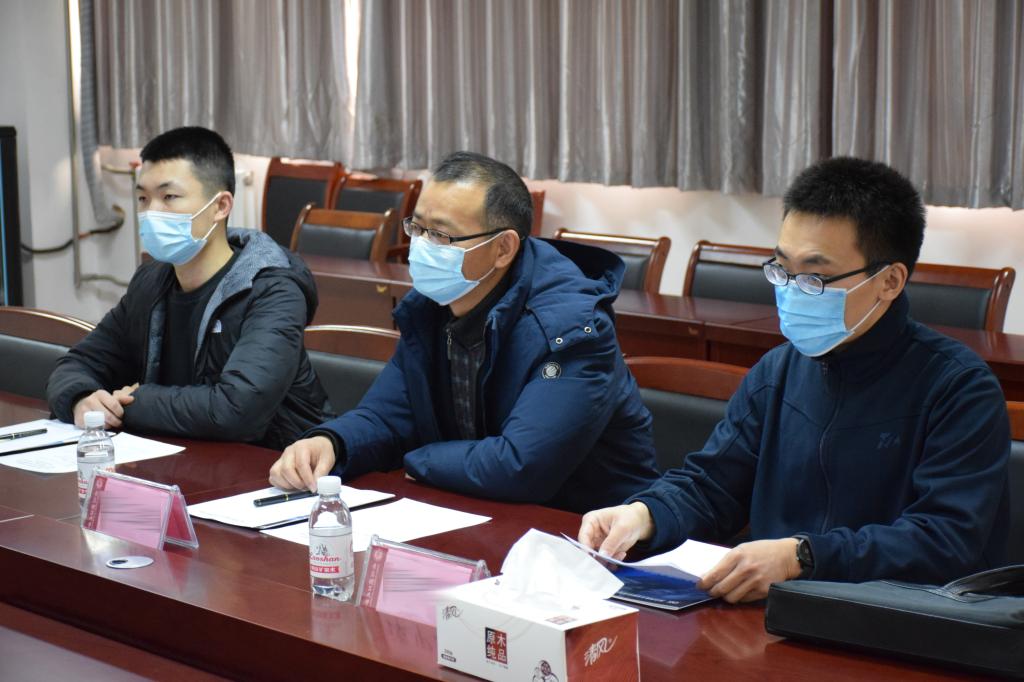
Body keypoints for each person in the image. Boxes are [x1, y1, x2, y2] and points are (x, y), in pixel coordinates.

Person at [579, 156, 1010, 601]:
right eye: (782, 268)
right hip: (774, 615)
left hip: (900, 622)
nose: (790, 289)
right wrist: (645, 514)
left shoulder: (958, 388)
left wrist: (802, 557)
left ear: (890, 281)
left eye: (816, 276)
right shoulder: (778, 371)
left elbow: (944, 539)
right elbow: (713, 486)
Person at [269, 151, 659, 512]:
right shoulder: (432, 307)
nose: (420, 246)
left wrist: (417, 458)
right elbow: (388, 416)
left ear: (503, 248)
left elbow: (519, 466)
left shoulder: (574, 330)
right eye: (416, 227)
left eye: (441, 235)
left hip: (591, 534)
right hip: (479, 513)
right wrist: (331, 442)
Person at [47, 126, 329, 450]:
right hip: (181, 458)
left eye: (169, 197)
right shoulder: (150, 282)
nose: (151, 212)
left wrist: (133, 404)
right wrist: (81, 398)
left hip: (279, 466)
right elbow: (78, 364)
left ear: (220, 206)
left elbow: (236, 410)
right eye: (143, 198)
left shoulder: (272, 290)